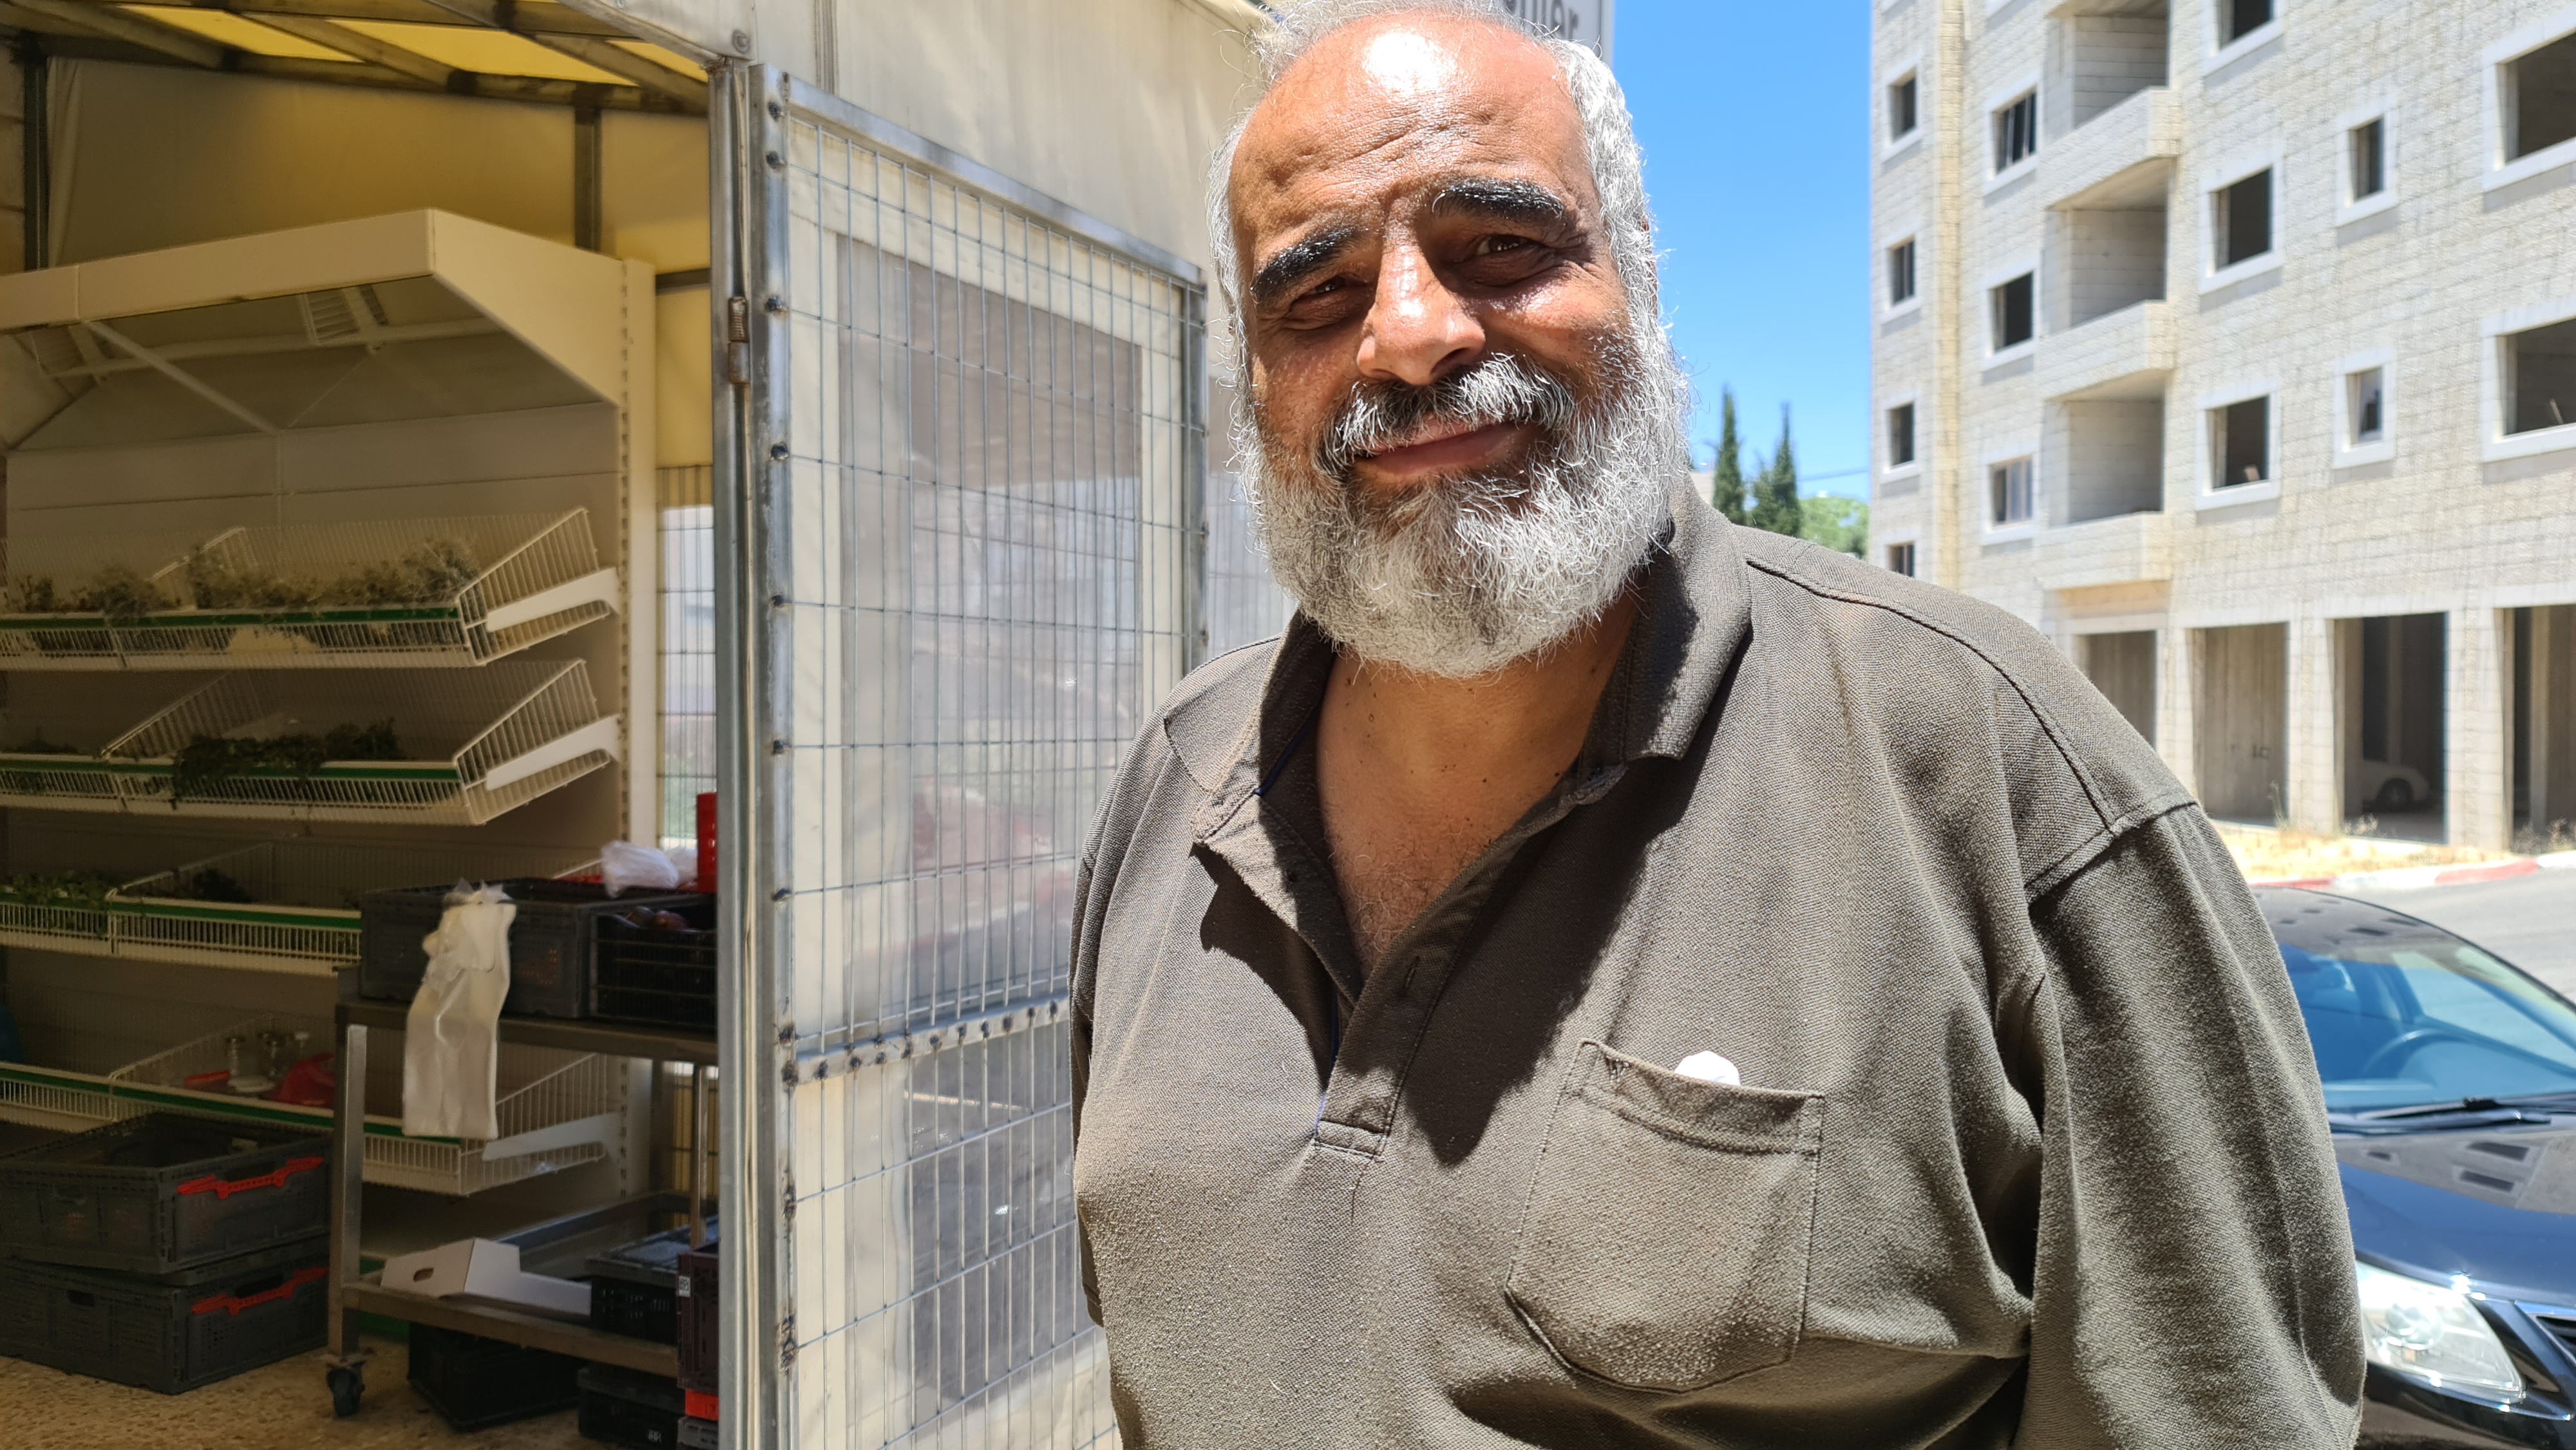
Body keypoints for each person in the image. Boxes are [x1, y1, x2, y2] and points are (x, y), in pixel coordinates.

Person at [1068, 2, 2364, 1444]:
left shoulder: (1986, 768)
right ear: (1251, 378)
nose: (1414, 335)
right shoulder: (1175, 782)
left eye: (1498, 245)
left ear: (1634, 275)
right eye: (1317, 292)